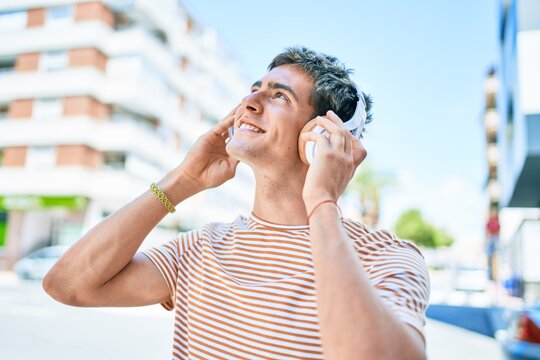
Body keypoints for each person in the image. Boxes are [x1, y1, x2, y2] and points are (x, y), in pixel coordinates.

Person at [44, 47, 430, 360]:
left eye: (279, 95)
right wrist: (182, 182)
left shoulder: (385, 258)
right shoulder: (200, 248)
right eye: (254, 88)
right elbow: (68, 285)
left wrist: (322, 202)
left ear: (323, 135)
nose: (249, 100)